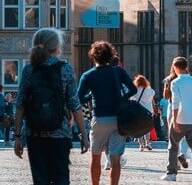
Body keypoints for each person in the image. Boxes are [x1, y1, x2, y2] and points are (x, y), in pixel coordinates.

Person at [13, 27, 88, 185]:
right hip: (59, 133)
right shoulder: (65, 69)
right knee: (61, 178)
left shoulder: (28, 70)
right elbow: (75, 105)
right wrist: (83, 135)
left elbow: (20, 105)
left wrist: (18, 137)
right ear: (56, 47)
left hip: (34, 133)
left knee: (40, 180)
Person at [77, 41, 137, 185]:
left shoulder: (88, 75)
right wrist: (122, 98)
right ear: (110, 56)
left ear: (93, 56)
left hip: (100, 118)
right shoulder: (118, 71)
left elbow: (79, 97)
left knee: (95, 155)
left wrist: (91, 96)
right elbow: (133, 90)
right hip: (118, 118)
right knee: (115, 158)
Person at [161, 56, 192, 183]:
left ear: (175, 67)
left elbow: (175, 103)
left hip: (181, 119)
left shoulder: (175, 82)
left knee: (173, 145)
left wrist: (175, 120)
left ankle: (171, 173)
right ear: (186, 67)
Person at [133, 75, 156, 151]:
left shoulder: (135, 90)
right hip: (148, 112)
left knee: (139, 128)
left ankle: (141, 145)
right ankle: (148, 143)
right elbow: (153, 93)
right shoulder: (149, 90)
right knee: (147, 128)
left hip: (138, 111)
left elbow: (131, 98)